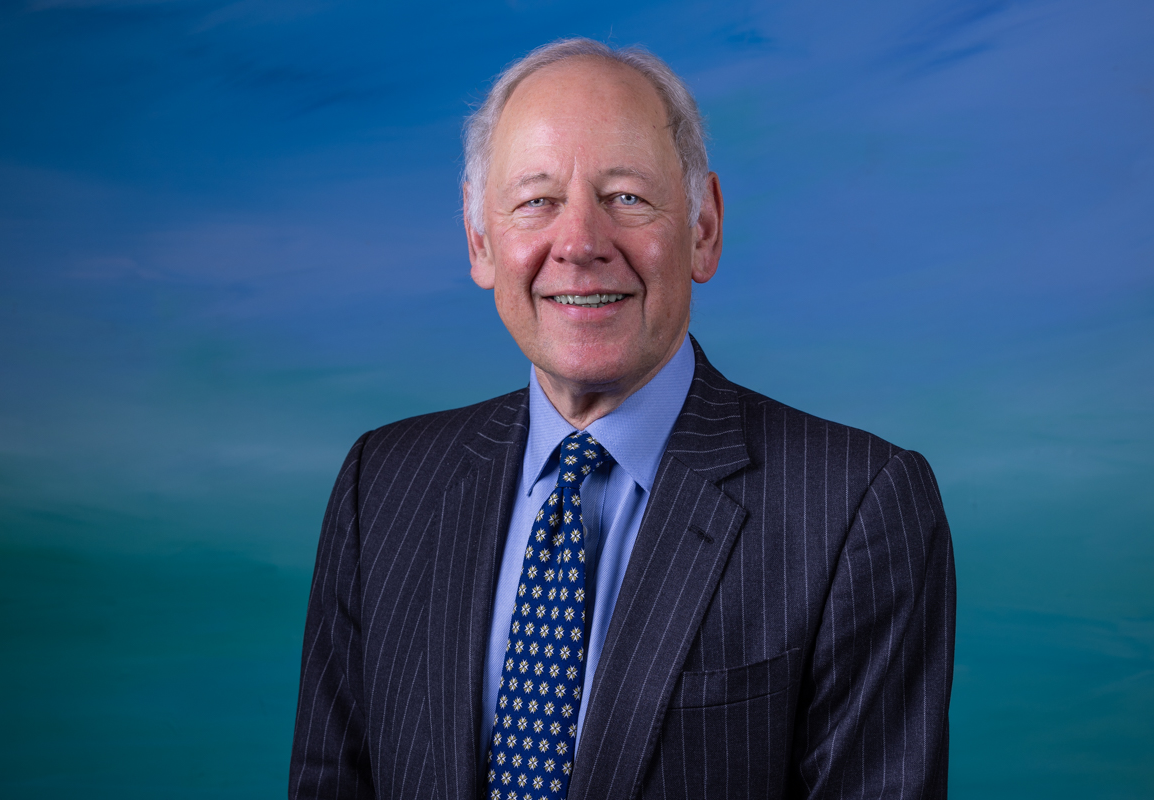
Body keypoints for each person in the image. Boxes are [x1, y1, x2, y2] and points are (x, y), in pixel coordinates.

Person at [289, 38, 955, 800]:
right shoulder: (382, 487)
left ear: (702, 230)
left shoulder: (854, 508)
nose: (579, 244)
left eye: (627, 198)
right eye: (536, 200)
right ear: (480, 242)